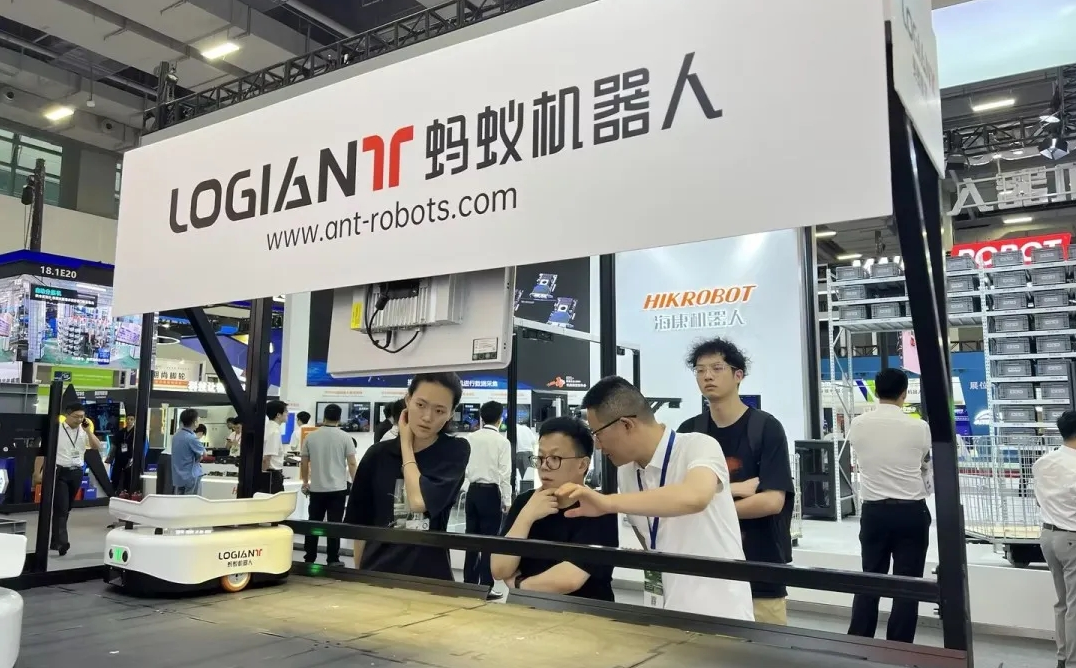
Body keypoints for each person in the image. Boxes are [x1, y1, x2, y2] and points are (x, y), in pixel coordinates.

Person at [559, 376, 753, 621]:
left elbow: (695, 497)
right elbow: (650, 541)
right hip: (665, 610)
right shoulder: (627, 472)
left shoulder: (698, 446)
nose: (597, 445)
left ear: (627, 425)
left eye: (598, 434)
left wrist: (607, 503)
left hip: (721, 611)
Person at [675, 337, 795, 624]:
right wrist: (736, 490)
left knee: (765, 645)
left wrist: (708, 504)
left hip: (760, 568)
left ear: (738, 375)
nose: (707, 376)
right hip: (703, 570)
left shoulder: (766, 428)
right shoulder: (689, 432)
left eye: (717, 368)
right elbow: (679, 497)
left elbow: (771, 501)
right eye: (700, 370)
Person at [344, 373, 470, 580]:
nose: (427, 417)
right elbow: (361, 525)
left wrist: (405, 444)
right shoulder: (377, 455)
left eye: (439, 410)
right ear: (408, 400)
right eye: (420, 405)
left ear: (451, 414)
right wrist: (360, 575)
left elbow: (418, 502)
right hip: (377, 571)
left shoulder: (454, 451)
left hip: (430, 577)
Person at [845, 368, 932, 644]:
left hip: (874, 513)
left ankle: (859, 642)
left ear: (875, 391)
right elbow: (925, 462)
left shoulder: (858, 424)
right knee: (908, 585)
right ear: (904, 394)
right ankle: (899, 647)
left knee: (870, 579)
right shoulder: (919, 427)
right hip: (911, 513)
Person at [492, 416, 619, 600]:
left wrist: (520, 584)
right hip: (527, 608)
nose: (544, 466)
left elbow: (570, 579)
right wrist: (526, 517)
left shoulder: (598, 508)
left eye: (554, 458)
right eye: (541, 458)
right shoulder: (525, 502)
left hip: (584, 611)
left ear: (582, 464)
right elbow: (499, 569)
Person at [1034, 411, 1076, 668]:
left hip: (1049, 536)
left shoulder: (1043, 462)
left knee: (1062, 602)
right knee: (1075, 605)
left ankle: (1062, 657)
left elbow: (1039, 499)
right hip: (1072, 538)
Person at [463, 400, 513, 588]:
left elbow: (464, 468)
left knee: (471, 539)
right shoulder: (502, 442)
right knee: (489, 541)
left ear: (481, 418)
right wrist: (507, 499)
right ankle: (486, 585)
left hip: (472, 491)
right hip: (491, 493)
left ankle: (469, 582)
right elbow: (505, 474)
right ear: (500, 419)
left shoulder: (470, 438)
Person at [301, 403, 358, 566]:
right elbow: (352, 463)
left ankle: (309, 557)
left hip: (317, 488)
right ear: (339, 418)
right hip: (338, 489)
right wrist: (356, 483)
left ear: (324, 417)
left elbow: (304, 462)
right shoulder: (345, 437)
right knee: (334, 525)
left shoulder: (311, 437)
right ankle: (333, 558)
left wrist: (305, 482)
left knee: (314, 524)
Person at [48, 403, 105, 555]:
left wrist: (88, 431)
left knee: (66, 508)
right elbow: (45, 451)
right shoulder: (58, 430)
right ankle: (62, 542)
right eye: (76, 417)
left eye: (82, 417)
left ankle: (56, 541)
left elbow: (97, 446)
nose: (79, 420)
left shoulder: (84, 431)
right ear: (67, 415)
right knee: (61, 507)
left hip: (77, 472)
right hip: (60, 472)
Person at [171, 408, 205, 496]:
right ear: (195, 422)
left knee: (180, 501)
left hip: (178, 476)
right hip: (191, 476)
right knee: (191, 501)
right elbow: (203, 454)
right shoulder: (192, 438)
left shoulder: (176, 436)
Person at [261, 400, 288, 493]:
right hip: (272, 475)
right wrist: (263, 477)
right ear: (278, 415)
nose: (287, 414)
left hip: (270, 474)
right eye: (285, 411)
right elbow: (266, 458)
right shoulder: (274, 432)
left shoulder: (268, 428)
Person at [107, 416, 136, 495]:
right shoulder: (121, 432)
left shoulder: (136, 433)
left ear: (134, 421)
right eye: (128, 419)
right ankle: (113, 491)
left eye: (131, 419)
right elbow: (114, 445)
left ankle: (126, 492)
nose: (129, 421)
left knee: (128, 476)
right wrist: (110, 457)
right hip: (119, 456)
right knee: (115, 475)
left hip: (130, 457)